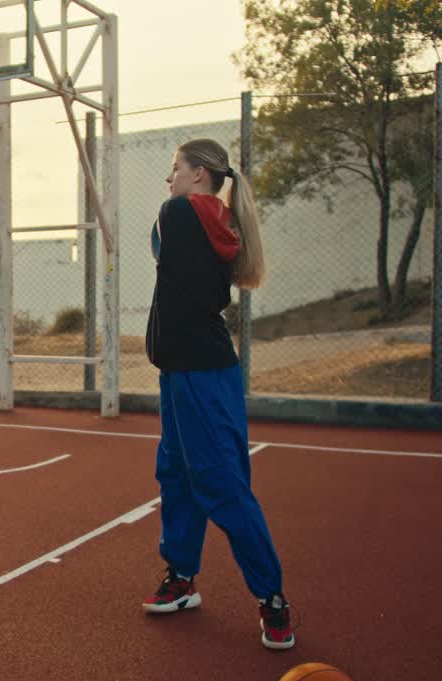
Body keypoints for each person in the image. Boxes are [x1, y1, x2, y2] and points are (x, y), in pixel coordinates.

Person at [142, 138, 294, 650]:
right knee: (177, 474)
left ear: (200, 174)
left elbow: (155, 245)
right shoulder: (217, 220)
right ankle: (182, 577)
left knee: (223, 485)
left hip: (201, 374)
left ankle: (272, 599)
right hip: (186, 369)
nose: (170, 178)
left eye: (176, 168)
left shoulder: (181, 213)